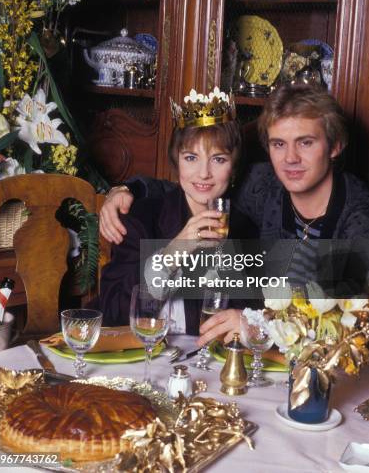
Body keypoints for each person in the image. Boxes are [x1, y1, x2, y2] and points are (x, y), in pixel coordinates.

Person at [100, 83, 369, 344]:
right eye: (279, 144)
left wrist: (259, 324)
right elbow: (196, 186)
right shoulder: (263, 186)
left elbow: (366, 332)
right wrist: (126, 189)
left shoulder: (365, 225)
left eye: (305, 142)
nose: (290, 158)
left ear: (335, 146)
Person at [98, 87, 258, 334]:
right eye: (191, 158)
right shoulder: (140, 219)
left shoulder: (246, 228)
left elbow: (257, 315)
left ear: (233, 169)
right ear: (176, 162)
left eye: (219, 159)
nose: (204, 173)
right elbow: (112, 313)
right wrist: (172, 255)